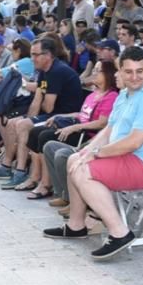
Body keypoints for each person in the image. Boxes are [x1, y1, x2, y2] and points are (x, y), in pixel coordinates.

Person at [42, 46, 143, 261]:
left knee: (84, 171)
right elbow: (109, 129)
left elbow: (133, 142)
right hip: (130, 157)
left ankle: (119, 232)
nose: (135, 77)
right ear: (120, 71)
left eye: (140, 71)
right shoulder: (125, 94)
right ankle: (76, 225)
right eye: (129, 71)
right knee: (75, 159)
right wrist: (87, 150)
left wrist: (96, 154)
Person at [25, 61, 119, 205]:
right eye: (94, 69)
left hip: (88, 135)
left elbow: (102, 123)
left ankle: (46, 184)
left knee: (45, 136)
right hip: (79, 127)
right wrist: (60, 117)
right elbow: (81, 114)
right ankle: (48, 184)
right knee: (36, 132)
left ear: (108, 74)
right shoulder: (93, 94)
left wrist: (75, 128)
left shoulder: (111, 96)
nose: (94, 72)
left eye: (98, 70)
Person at [0, 37, 83, 189]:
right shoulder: (44, 71)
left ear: (48, 55)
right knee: (12, 123)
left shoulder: (57, 71)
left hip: (64, 117)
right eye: (31, 54)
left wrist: (29, 118)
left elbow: (48, 107)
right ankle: (6, 166)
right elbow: (37, 103)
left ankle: (21, 172)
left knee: (23, 125)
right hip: (51, 114)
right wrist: (30, 117)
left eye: (36, 55)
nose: (32, 59)